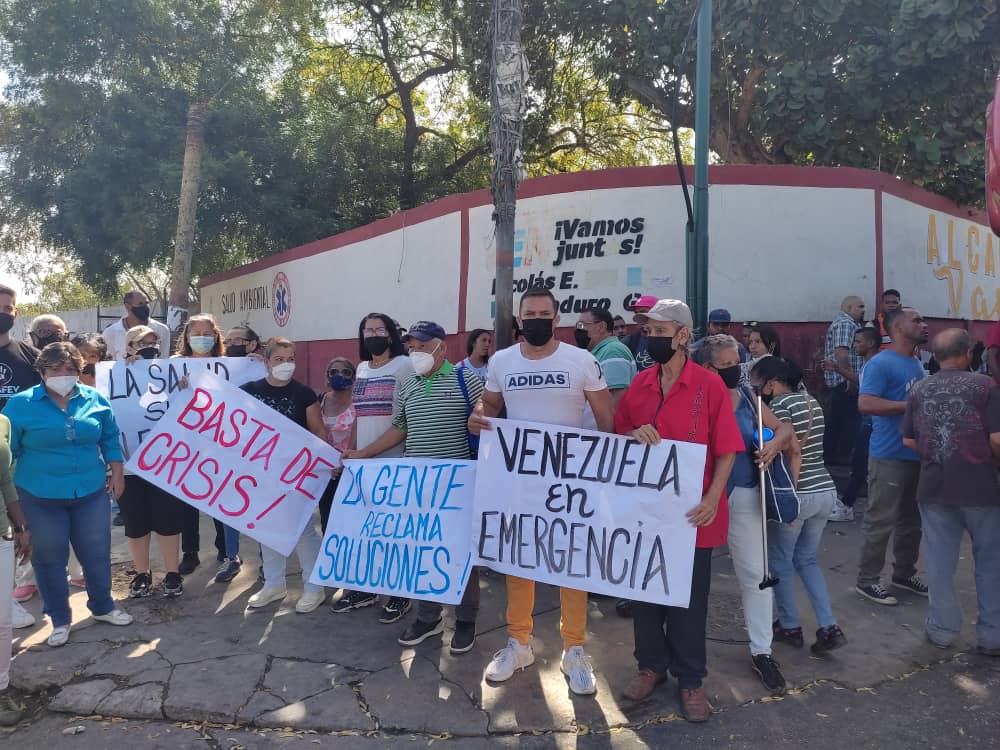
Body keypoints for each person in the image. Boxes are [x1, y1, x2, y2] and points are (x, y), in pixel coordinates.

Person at [470, 288, 615, 696]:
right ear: (519, 320)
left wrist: (610, 478)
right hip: (519, 481)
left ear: (556, 319)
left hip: (570, 484)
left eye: (544, 313)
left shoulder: (581, 360)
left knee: (571, 564)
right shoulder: (501, 361)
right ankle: (520, 643)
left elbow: (607, 422)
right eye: (529, 313)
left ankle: (575, 649)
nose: (536, 318)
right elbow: (490, 408)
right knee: (519, 562)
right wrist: (478, 417)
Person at [613, 301, 743, 721]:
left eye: (659, 329)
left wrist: (711, 499)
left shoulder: (709, 386)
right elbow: (617, 433)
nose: (651, 336)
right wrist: (634, 433)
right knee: (645, 593)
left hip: (692, 517)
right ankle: (650, 666)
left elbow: (726, 451)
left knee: (688, 601)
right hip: (645, 514)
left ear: (683, 335)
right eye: (647, 329)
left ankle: (691, 681)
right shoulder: (641, 384)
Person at [348, 321, 485, 654]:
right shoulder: (407, 382)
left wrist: (479, 414)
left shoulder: (465, 379)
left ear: (442, 348)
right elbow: (400, 427)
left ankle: (465, 620)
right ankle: (428, 617)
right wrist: (363, 454)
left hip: (457, 485)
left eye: (423, 346)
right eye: (411, 346)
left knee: (460, 553)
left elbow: (485, 412)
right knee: (422, 550)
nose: (416, 352)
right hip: (418, 484)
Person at [5, 342, 132, 647]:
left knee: (96, 551)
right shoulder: (20, 405)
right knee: (49, 556)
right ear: (42, 371)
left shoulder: (95, 399)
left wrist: (117, 472)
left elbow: (110, 437)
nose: (63, 374)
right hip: (39, 494)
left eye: (70, 368)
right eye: (55, 368)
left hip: (90, 491)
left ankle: (103, 606)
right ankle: (60, 618)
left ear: (79, 370)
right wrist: (11, 503)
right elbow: (8, 452)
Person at [701, 334, 796, 696]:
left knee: (756, 573)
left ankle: (762, 650)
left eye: (737, 362)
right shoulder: (697, 397)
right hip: (702, 497)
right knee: (691, 574)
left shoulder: (745, 397)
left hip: (742, 492)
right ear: (707, 366)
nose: (736, 370)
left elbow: (785, 428)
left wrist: (774, 443)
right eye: (726, 364)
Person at [901, 329, 1000, 655]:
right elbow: (997, 438)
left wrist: (939, 453)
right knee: (990, 563)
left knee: (940, 564)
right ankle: (992, 636)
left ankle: (942, 631)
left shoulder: (919, 389)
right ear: (969, 352)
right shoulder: (986, 386)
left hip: (934, 486)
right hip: (981, 487)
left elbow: (909, 440)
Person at [750, 357, 847, 654]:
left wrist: (788, 499)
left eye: (759, 383)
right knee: (807, 560)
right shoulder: (811, 401)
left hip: (798, 492)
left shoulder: (779, 407)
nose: (757, 390)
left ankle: (789, 625)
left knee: (780, 561)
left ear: (771, 382)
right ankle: (829, 626)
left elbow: (789, 444)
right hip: (825, 491)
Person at [332, 313, 415, 622]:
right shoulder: (364, 368)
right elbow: (359, 414)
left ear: (392, 335)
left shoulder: (404, 366)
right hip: (364, 465)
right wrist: (351, 452)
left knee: (396, 531)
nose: (374, 334)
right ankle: (368, 588)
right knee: (368, 530)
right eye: (368, 330)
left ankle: (400, 594)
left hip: (394, 462)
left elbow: (405, 420)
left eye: (380, 329)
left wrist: (367, 452)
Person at [241, 338, 328, 614]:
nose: (286, 364)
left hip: (295, 475)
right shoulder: (249, 391)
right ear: (266, 362)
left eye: (290, 359)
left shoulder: (304, 393)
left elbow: (318, 432)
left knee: (302, 529)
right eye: (279, 359)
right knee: (267, 528)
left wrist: (319, 463)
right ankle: (274, 584)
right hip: (262, 474)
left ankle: (314, 588)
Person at [855, 307, 928, 605]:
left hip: (914, 454)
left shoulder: (915, 362)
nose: (924, 325)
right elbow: (865, 403)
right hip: (888, 455)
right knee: (881, 520)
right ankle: (868, 580)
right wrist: (909, 406)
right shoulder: (881, 363)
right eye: (917, 320)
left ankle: (904, 573)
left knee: (912, 521)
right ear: (897, 327)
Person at [118, 326, 185, 599]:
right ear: (129, 346)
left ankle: (172, 573)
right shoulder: (116, 374)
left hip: (165, 463)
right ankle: (142, 573)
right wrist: (123, 369)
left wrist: (182, 388)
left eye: (155, 342)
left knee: (168, 519)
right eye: (143, 343)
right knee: (136, 523)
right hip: (129, 463)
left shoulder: (170, 372)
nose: (151, 347)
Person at [172, 314, 238, 578]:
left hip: (220, 443)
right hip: (186, 442)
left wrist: (257, 363)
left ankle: (226, 549)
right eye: (195, 332)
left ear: (216, 336)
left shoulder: (230, 365)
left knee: (220, 496)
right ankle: (190, 553)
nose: (201, 337)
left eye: (207, 332)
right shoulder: (174, 365)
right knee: (187, 500)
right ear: (187, 337)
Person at [829, 327, 881, 522]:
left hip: (872, 420)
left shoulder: (876, 364)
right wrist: (838, 369)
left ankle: (847, 505)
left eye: (858, 341)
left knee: (860, 463)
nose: (854, 345)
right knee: (860, 463)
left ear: (870, 344)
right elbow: (861, 381)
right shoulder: (869, 364)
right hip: (868, 419)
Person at [1, 410, 31, 725]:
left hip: (2, 533)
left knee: (2, 620)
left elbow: (6, 479)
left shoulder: (4, 422)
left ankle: (2, 687)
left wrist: (21, 526)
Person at [822, 295, 865, 465]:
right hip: (843, 382)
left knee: (838, 421)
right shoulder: (846, 324)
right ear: (848, 308)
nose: (863, 310)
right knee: (845, 422)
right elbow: (842, 353)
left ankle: (834, 459)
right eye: (859, 306)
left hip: (843, 380)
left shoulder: (848, 324)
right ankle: (838, 460)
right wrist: (851, 380)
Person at [318, 357, 356, 533]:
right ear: (327, 376)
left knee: (349, 522)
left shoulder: (359, 402)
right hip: (325, 471)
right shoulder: (319, 400)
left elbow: (357, 438)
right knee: (328, 522)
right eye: (334, 372)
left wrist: (341, 464)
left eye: (345, 372)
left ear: (354, 377)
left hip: (349, 470)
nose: (339, 375)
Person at [575, 307, 636, 412]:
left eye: (582, 325)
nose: (578, 330)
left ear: (601, 327)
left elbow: (616, 400)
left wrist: (605, 428)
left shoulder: (613, 351)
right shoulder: (600, 352)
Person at [0, 285, 40, 414]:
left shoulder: (34, 356)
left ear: (15, 314)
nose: (2, 313)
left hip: (22, 432)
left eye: (7, 308)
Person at [102, 290, 171, 361]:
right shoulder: (110, 333)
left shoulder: (162, 330)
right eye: (140, 304)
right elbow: (107, 365)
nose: (145, 307)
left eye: (147, 303)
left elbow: (163, 361)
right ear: (127, 306)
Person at [623, 294, 659, 371]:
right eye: (636, 313)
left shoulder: (670, 339)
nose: (639, 316)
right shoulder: (630, 341)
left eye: (643, 312)